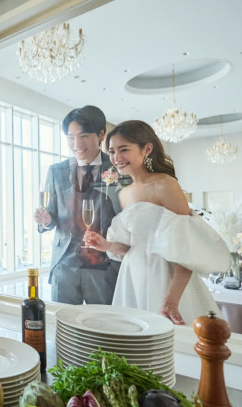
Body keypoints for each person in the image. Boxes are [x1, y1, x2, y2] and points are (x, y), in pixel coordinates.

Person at [83, 120, 230, 325]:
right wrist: (106, 245)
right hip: (133, 277)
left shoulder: (166, 185)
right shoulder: (124, 194)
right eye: (112, 151)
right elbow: (134, 247)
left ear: (147, 149)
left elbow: (187, 248)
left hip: (165, 278)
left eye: (123, 149)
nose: (116, 158)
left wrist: (172, 300)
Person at [34, 105, 122, 304]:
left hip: (104, 266)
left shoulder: (118, 168)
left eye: (83, 136)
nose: (76, 144)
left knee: (102, 326)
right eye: (70, 137)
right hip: (64, 265)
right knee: (64, 326)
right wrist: (46, 220)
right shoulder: (56, 171)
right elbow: (52, 214)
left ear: (100, 134)